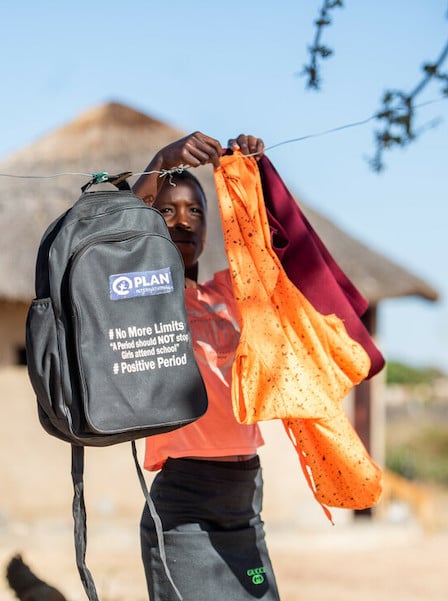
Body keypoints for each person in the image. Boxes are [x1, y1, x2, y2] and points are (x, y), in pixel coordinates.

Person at [132, 132, 281, 600]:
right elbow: (117, 230)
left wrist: (252, 176)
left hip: (244, 498)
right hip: (185, 505)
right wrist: (161, 161)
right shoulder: (144, 297)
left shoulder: (231, 294)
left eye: (194, 211)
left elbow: (271, 246)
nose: (181, 223)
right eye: (167, 211)